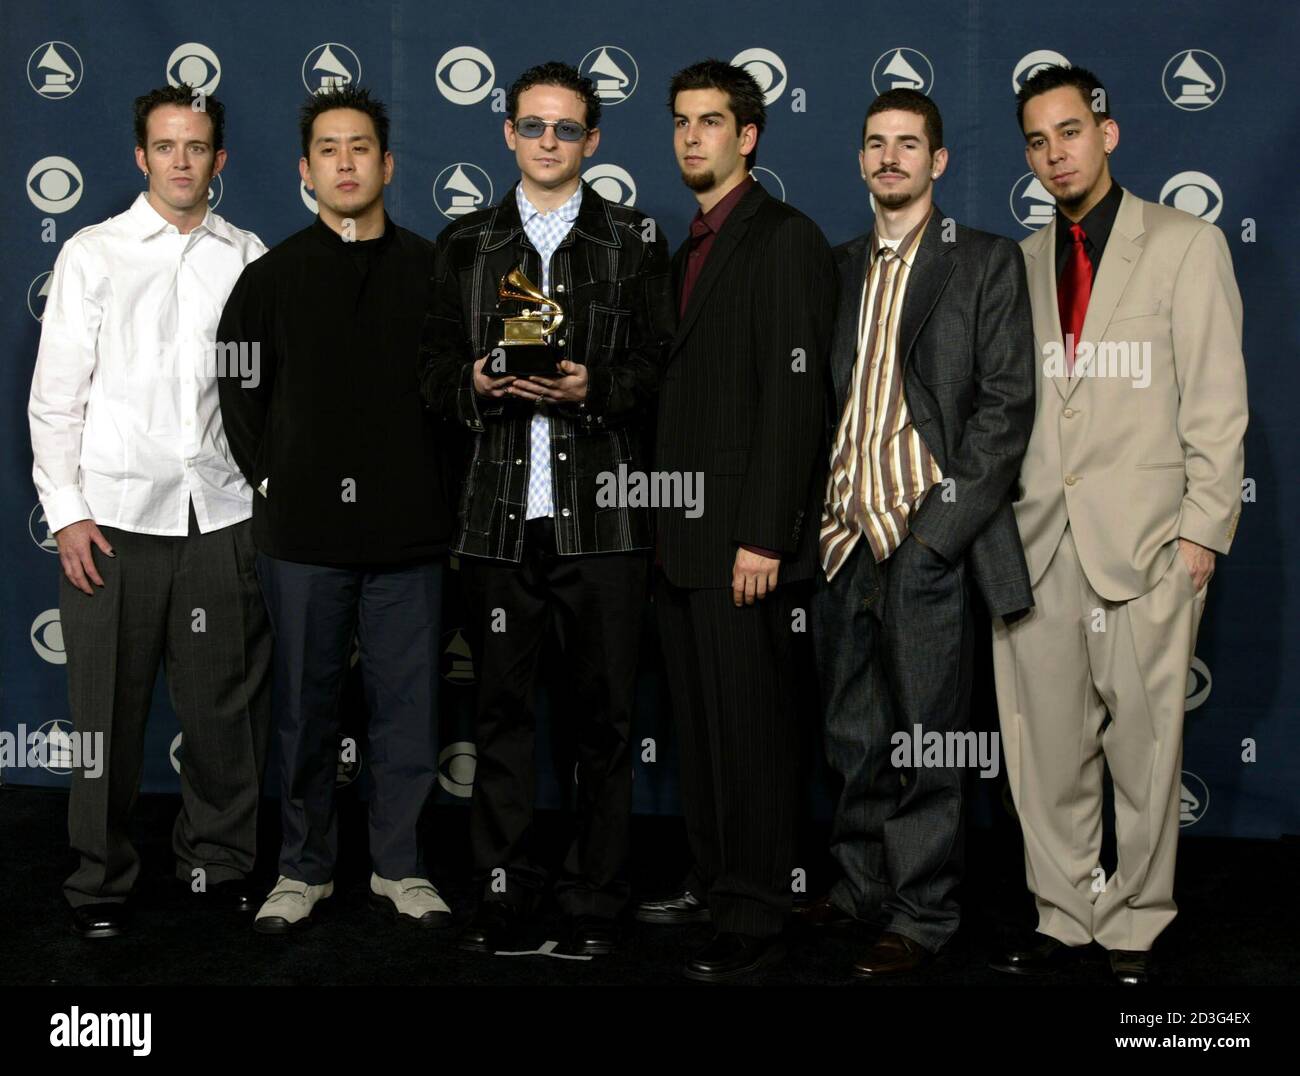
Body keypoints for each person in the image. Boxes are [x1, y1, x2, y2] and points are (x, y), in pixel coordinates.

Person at [989, 65, 1247, 985]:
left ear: (1108, 133)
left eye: (1069, 132)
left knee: (1144, 751)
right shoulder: (1014, 262)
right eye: (1037, 140)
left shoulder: (1184, 243)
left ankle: (1136, 920)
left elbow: (1216, 399)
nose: (1054, 153)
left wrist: (1203, 533)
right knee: (1046, 747)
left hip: (1146, 543)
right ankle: (1064, 912)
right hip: (1037, 541)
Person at [420, 62, 673, 956]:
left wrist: (593, 385)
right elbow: (431, 373)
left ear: (593, 141)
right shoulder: (464, 244)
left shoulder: (634, 242)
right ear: (508, 133)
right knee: (501, 716)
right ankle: (504, 893)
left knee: (603, 719)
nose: (550, 144)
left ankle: (595, 900)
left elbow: (656, 368)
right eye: (534, 127)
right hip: (495, 518)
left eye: (568, 130)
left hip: (602, 520)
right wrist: (480, 380)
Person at [796, 89, 1035, 977]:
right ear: (860, 160)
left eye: (908, 145)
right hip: (841, 538)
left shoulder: (982, 261)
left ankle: (922, 913)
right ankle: (860, 887)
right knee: (853, 735)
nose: (889, 157)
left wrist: (939, 533)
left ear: (939, 162)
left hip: (925, 537)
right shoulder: (838, 265)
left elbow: (1007, 409)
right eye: (875, 144)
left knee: (927, 739)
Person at [29, 84, 271, 938]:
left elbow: (268, 395)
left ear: (219, 159)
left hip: (221, 518)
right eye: (165, 146)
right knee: (106, 715)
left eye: (196, 147)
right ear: (141, 156)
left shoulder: (247, 255)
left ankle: (217, 870)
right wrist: (66, 514)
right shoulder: (93, 255)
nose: (180, 161)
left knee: (222, 716)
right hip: (114, 523)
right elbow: (55, 399)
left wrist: (266, 499)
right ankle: (99, 886)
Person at [216, 86, 454, 934]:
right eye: (329, 149)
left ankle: (402, 867)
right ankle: (303, 869)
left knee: (407, 710)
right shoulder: (268, 278)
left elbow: (461, 401)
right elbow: (238, 389)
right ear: (305, 170)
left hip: (411, 538)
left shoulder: (438, 270)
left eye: (361, 147)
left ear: (387, 164)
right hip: (304, 541)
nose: (346, 162)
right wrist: (273, 479)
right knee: (304, 711)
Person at [637, 59, 834, 982]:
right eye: (681, 121)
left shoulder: (784, 238)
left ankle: (757, 904)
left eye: (710, 122)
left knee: (752, 728)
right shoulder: (686, 250)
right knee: (702, 729)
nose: (690, 137)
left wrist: (765, 533)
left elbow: (796, 401)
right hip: (678, 541)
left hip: (744, 544)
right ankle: (717, 879)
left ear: (748, 135)